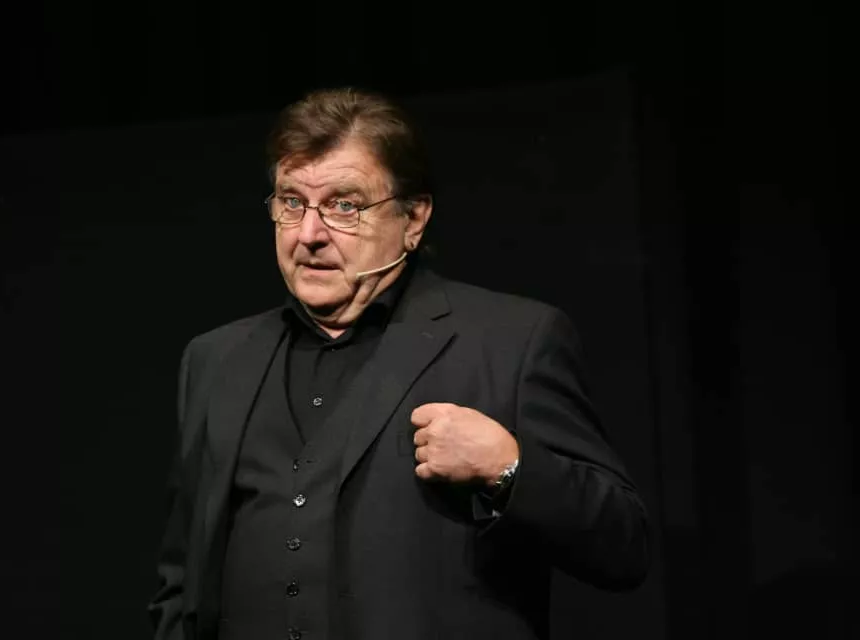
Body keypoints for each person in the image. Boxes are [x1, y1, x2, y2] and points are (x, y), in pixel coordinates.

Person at [148, 88, 650, 640]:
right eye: (292, 202)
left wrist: (508, 468)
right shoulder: (215, 360)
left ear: (413, 218)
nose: (309, 235)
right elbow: (182, 582)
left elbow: (623, 546)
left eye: (344, 205)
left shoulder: (511, 342)